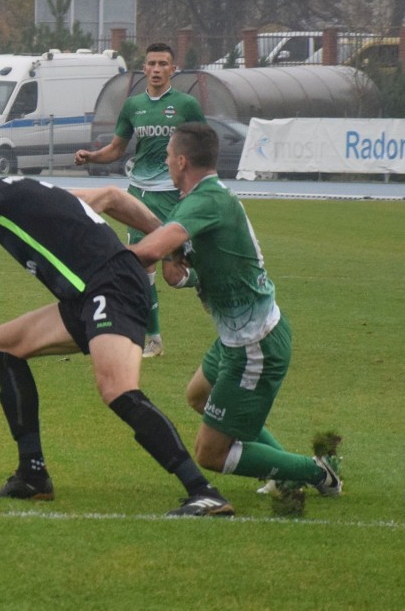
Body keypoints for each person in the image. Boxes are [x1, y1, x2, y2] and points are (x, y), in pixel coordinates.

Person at [0, 153, 235, 517]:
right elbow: (111, 196)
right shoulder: (29, 189)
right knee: (4, 344)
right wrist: (172, 243)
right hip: (87, 295)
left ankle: (203, 491)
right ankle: (32, 475)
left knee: (117, 389)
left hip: (112, 286)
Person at [104, 122, 341, 504]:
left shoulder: (206, 201)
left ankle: (316, 472)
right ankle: (280, 472)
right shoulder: (201, 199)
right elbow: (202, 264)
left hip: (255, 345)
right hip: (236, 339)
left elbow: (148, 250)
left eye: (167, 156)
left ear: (181, 161)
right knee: (198, 396)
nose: (165, 161)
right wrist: (183, 275)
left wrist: (96, 259)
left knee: (210, 454)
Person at [74, 43, 205, 358]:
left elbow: (204, 146)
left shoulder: (186, 105)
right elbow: (118, 149)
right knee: (140, 268)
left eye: (163, 64)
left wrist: (198, 186)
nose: (157, 69)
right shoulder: (133, 106)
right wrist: (92, 156)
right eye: (152, 63)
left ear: (173, 69)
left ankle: (203, 279)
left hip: (173, 197)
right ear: (144, 69)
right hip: (139, 195)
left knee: (174, 276)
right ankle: (153, 339)